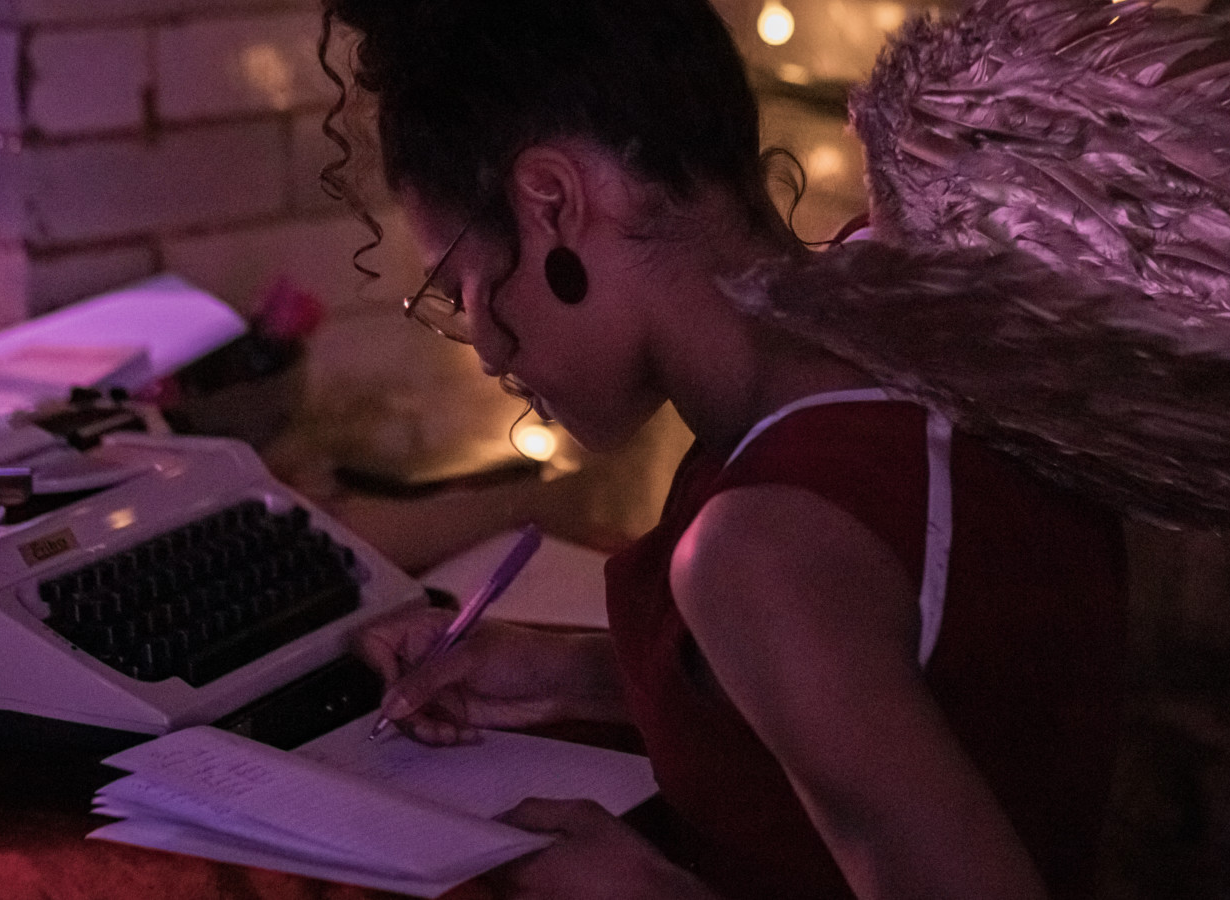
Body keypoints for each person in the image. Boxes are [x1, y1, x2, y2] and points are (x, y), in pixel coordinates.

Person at [318, 1, 1129, 898]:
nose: (485, 345)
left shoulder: (760, 547)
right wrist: (575, 675)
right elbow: (919, 691)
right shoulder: (921, 311)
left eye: (457, 287)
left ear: (551, 202)